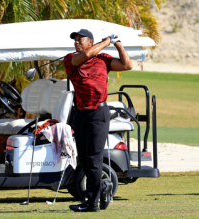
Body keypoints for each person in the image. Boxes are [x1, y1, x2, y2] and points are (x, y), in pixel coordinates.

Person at [64, 29, 133, 212]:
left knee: (94, 159)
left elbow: (127, 66)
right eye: (75, 40)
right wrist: (107, 41)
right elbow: (87, 54)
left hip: (98, 113)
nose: (76, 43)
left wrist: (117, 44)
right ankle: (103, 187)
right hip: (80, 113)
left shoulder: (103, 59)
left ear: (90, 41)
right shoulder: (71, 58)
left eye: (81, 40)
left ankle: (91, 203)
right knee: (84, 161)